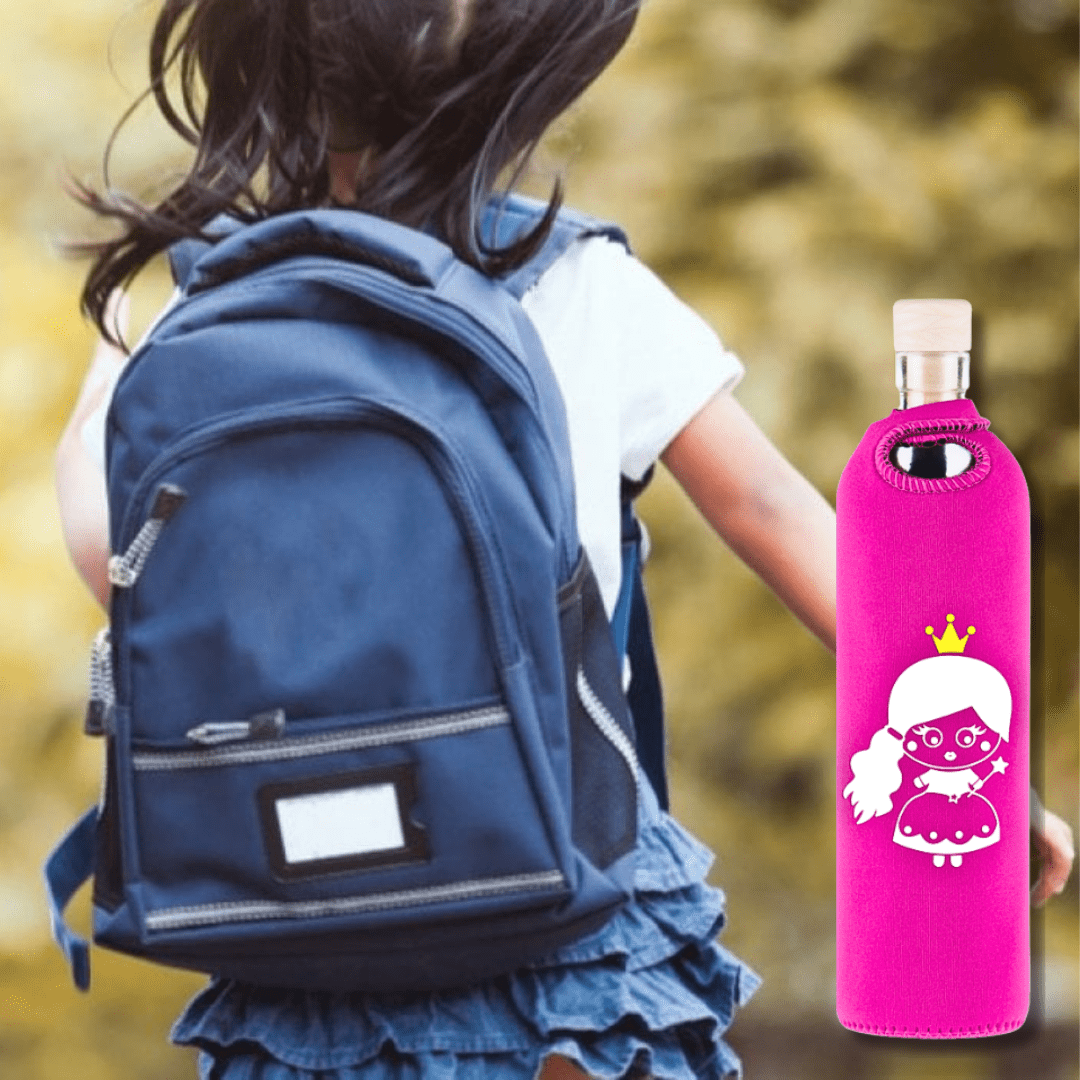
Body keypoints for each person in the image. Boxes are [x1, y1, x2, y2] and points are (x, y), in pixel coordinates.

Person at [54, 1, 1073, 1077]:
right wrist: (985, 765)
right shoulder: (578, 282)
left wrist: (104, 393)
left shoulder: (188, 307)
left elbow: (112, 564)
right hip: (562, 915)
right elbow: (780, 517)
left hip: (296, 921)